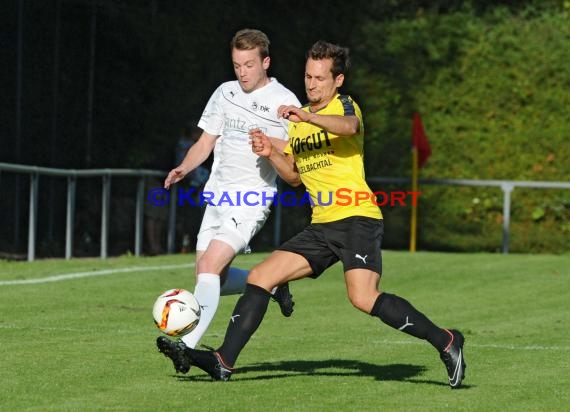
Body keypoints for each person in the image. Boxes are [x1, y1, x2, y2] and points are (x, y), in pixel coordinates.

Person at [158, 40, 467, 389]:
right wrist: (270, 152)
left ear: (337, 80)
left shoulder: (343, 107)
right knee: (262, 276)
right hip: (321, 225)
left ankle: (446, 341)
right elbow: (293, 177)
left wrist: (306, 116)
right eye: (308, 76)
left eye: (320, 78)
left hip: (356, 219)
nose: (311, 83)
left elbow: (348, 128)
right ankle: (223, 362)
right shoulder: (300, 123)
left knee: (362, 297)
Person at [156, 29, 301, 372]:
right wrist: (183, 167)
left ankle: (186, 347)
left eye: (249, 64)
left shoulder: (285, 102)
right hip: (218, 197)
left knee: (209, 267)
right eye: (237, 65)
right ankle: (273, 282)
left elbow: (296, 157)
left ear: (265, 62)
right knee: (211, 279)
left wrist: (270, 144)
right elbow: (206, 141)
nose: (242, 72)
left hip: (251, 199)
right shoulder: (224, 93)